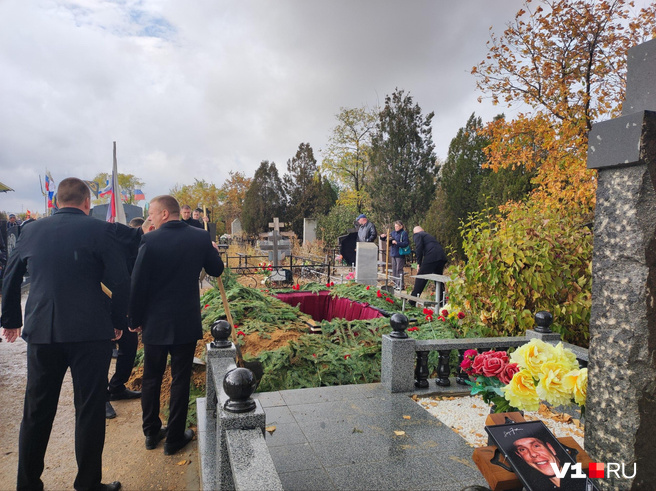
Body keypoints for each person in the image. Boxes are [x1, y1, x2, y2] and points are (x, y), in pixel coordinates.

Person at [1, 177, 129, 491]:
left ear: (57, 202)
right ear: (87, 203)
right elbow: (120, 281)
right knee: (89, 408)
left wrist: (11, 320)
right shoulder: (101, 230)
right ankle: (87, 484)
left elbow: (11, 276)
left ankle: (27, 485)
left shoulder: (31, 230)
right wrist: (117, 321)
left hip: (43, 330)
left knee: (36, 410)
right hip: (90, 332)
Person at [129, 195, 224, 455]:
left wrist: (134, 319)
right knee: (180, 378)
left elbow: (137, 283)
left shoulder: (150, 240)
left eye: (151, 213)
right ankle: (173, 438)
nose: (149, 218)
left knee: (152, 377)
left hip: (155, 321)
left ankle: (151, 432)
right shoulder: (200, 237)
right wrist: (213, 250)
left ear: (164, 214)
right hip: (185, 320)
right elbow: (216, 270)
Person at [105, 217, 152, 419]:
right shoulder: (114, 238)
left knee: (130, 345)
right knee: (103, 352)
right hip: (105, 302)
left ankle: (117, 386)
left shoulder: (143, 245)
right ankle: (101, 397)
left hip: (125, 304)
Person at [512, 436, 588, 490]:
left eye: (536, 446)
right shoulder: (537, 483)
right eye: (522, 449)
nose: (533, 454)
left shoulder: (585, 470)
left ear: (551, 448)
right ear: (520, 456)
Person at [409, 226, 447, 305]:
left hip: (432, 256)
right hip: (441, 256)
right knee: (438, 279)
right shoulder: (428, 236)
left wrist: (419, 263)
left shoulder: (418, 235)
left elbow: (419, 247)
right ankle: (442, 302)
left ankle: (412, 301)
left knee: (421, 277)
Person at [380, 220, 409, 289]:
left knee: (399, 269)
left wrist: (397, 243)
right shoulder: (393, 233)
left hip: (400, 253)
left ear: (401, 226)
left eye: (397, 226)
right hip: (393, 253)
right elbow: (387, 238)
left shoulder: (404, 233)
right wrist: (383, 236)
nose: (396, 228)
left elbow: (406, 243)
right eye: (395, 226)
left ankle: (400, 285)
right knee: (394, 269)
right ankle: (395, 283)